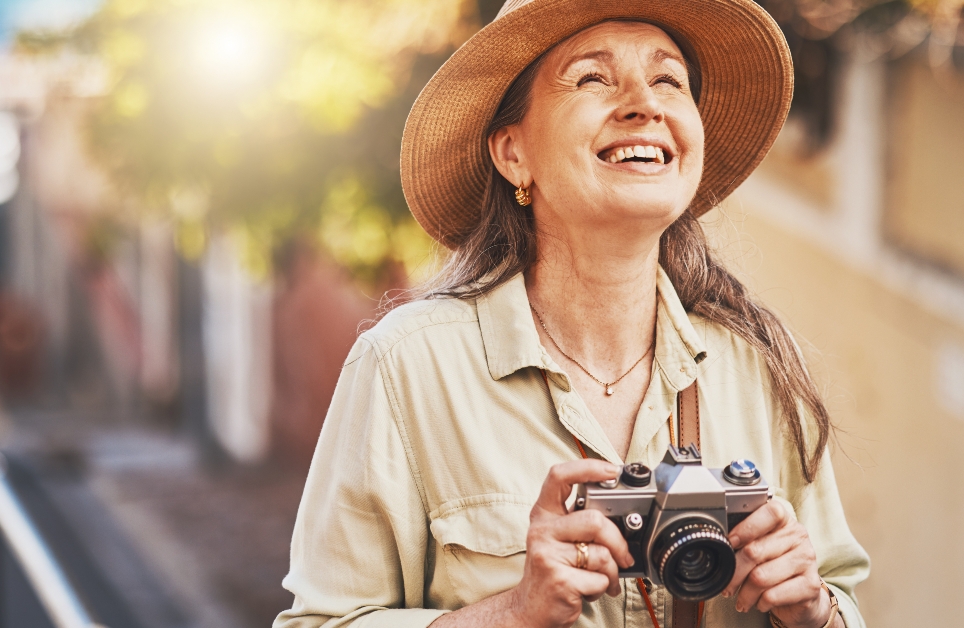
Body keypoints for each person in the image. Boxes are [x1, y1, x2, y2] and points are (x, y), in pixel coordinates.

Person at [275, 0, 870, 626]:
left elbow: (845, 600)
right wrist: (514, 613)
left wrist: (815, 610)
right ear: (513, 153)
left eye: (670, 80)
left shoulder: (758, 369)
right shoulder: (407, 369)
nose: (647, 104)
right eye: (592, 78)